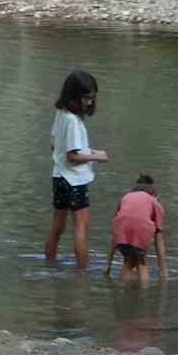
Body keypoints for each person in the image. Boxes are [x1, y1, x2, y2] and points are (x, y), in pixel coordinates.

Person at [44, 70, 108, 267]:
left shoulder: (61, 114)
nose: (90, 103)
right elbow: (72, 156)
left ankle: (49, 265)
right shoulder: (73, 121)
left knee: (57, 227)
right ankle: (83, 275)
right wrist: (97, 157)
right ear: (74, 96)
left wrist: (90, 151)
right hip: (75, 181)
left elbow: (56, 146)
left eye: (92, 98)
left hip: (59, 177)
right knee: (81, 230)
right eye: (87, 98)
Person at [106, 174, 168, 285]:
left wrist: (108, 265)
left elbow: (115, 232)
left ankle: (124, 291)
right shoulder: (154, 202)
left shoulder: (125, 197)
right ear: (154, 194)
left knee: (128, 261)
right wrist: (163, 270)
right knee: (141, 262)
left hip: (121, 231)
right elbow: (159, 241)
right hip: (140, 229)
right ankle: (143, 294)